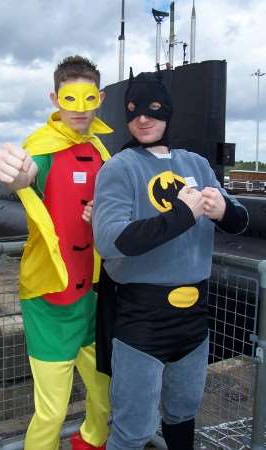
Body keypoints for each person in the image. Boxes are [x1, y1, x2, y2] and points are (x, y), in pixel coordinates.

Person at [92, 70, 249, 450]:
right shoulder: (119, 167)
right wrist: (182, 214)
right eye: (133, 111)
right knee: (132, 428)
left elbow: (240, 219)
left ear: (168, 112)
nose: (142, 118)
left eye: (153, 109)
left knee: (182, 412)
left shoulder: (196, 164)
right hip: (142, 320)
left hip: (193, 318)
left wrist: (221, 209)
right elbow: (111, 240)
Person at [0, 55, 112, 450]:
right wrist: (15, 173)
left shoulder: (103, 152)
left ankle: (91, 441)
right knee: (51, 410)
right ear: (55, 97)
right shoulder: (40, 149)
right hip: (50, 299)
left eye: (88, 98)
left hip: (95, 296)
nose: (80, 109)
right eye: (70, 98)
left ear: (100, 99)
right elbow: (25, 175)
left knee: (103, 394)